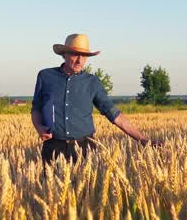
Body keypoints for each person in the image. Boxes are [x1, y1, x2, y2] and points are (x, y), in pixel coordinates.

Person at [31, 33, 162, 164]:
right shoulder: (46, 76)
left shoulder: (92, 82)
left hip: (85, 148)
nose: (80, 61)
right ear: (64, 54)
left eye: (84, 56)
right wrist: (38, 127)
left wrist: (143, 140)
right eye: (75, 54)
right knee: (51, 185)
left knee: (87, 185)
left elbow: (114, 114)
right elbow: (36, 108)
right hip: (53, 147)